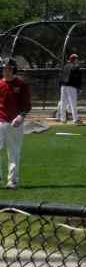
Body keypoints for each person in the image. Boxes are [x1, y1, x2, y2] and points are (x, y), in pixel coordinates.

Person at [0, 58, 32, 189]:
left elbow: (27, 105)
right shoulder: (0, 84)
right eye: (4, 69)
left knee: (13, 153)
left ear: (14, 70)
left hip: (15, 124)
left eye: (9, 69)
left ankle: (12, 181)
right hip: (0, 121)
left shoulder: (21, 84)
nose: (6, 71)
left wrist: (21, 116)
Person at [58, 53, 82, 125]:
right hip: (71, 86)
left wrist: (60, 86)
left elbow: (60, 77)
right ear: (75, 60)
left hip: (63, 86)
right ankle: (75, 119)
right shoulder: (75, 67)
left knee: (63, 102)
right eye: (77, 59)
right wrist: (79, 87)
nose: (77, 61)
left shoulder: (64, 66)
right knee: (73, 103)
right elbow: (77, 78)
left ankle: (63, 119)